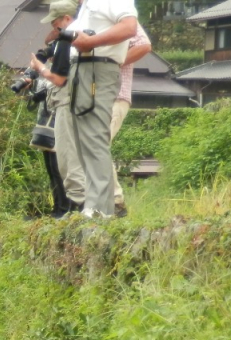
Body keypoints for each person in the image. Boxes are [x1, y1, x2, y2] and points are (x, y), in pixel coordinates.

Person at [68, 0, 141, 218]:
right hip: (83, 69)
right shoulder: (87, 6)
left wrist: (91, 41)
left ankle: (100, 209)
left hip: (98, 67)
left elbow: (130, 27)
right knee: (83, 141)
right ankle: (94, 205)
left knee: (95, 137)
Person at [31, 2, 83, 216]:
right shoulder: (59, 51)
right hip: (49, 116)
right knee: (53, 166)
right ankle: (59, 207)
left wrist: (41, 69)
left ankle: (68, 207)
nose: (51, 54)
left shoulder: (69, 47)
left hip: (63, 111)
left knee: (63, 162)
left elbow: (59, 81)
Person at [110, 22, 152, 216]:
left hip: (116, 94)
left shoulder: (119, 13)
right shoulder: (87, 16)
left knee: (97, 145)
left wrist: (114, 63)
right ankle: (109, 201)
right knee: (88, 146)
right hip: (94, 96)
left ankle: (115, 201)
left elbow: (144, 44)